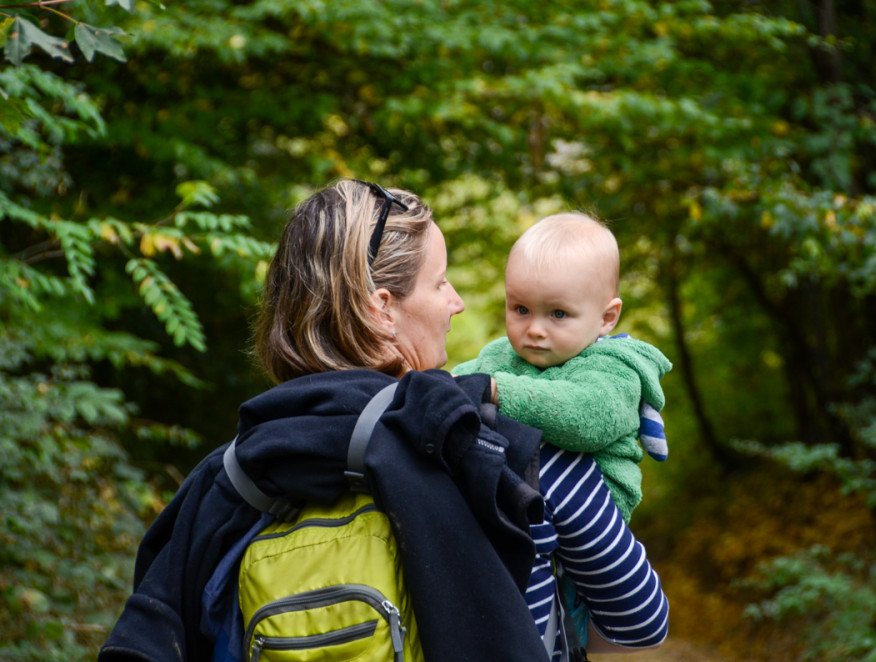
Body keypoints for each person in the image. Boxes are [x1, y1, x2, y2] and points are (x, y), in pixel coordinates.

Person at [99, 181, 667, 662]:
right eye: (441, 282)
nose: (460, 302)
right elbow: (640, 619)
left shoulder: (232, 475)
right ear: (380, 307)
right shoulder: (505, 451)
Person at [453, 212, 672, 523]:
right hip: (525, 502)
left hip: (596, 511)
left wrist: (500, 391)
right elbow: (461, 380)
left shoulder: (615, 368)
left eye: (557, 313)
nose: (535, 329)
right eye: (522, 309)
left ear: (607, 318)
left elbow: (585, 417)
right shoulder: (502, 356)